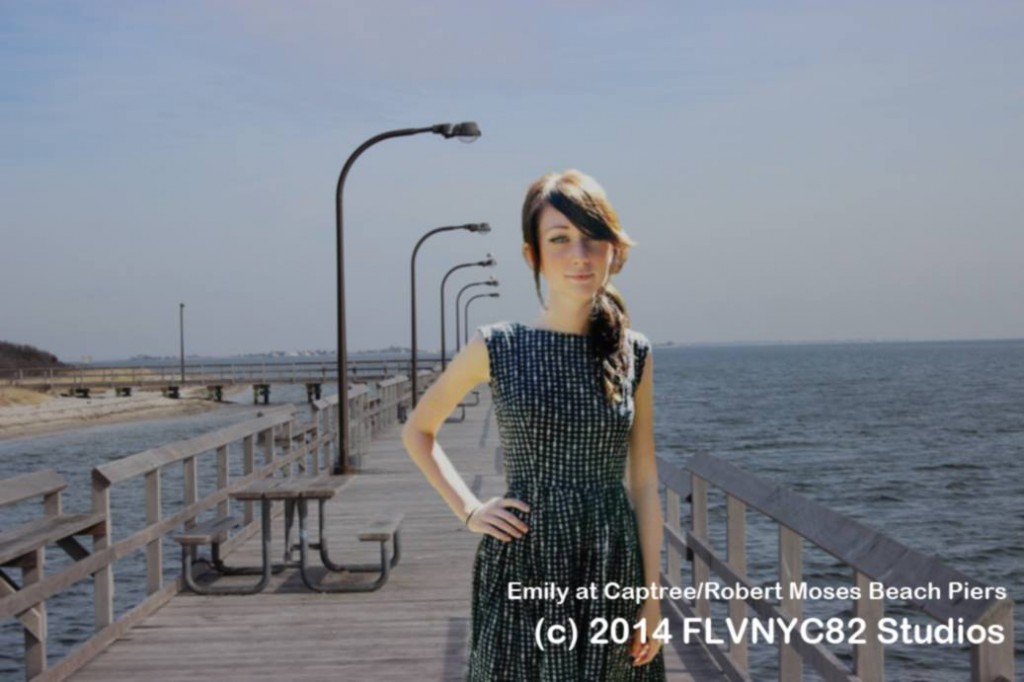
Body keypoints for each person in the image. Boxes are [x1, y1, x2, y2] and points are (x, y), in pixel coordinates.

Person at [402, 169, 666, 680]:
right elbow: (418, 431)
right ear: (533, 255)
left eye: (593, 239)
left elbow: (646, 481)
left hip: (610, 562)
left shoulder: (635, 352)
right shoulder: (497, 345)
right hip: (526, 560)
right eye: (560, 239)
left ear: (615, 250)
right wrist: (470, 510)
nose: (579, 255)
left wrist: (652, 600)